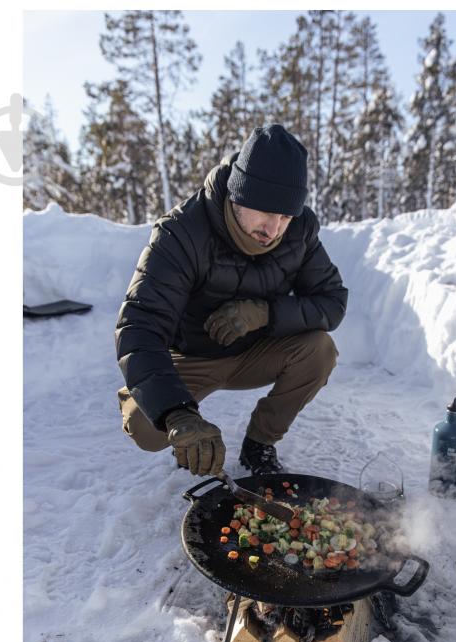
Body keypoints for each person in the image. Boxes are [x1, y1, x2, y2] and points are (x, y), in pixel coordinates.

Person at [115, 124, 348, 477]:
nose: (273, 229)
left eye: (285, 215)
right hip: (192, 356)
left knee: (320, 349)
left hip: (256, 351)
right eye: (265, 212)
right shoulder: (181, 232)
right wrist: (178, 413)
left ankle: (260, 445)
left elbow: (332, 302)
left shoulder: (299, 231)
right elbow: (140, 325)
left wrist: (266, 314)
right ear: (238, 194)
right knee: (144, 425)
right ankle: (165, 409)